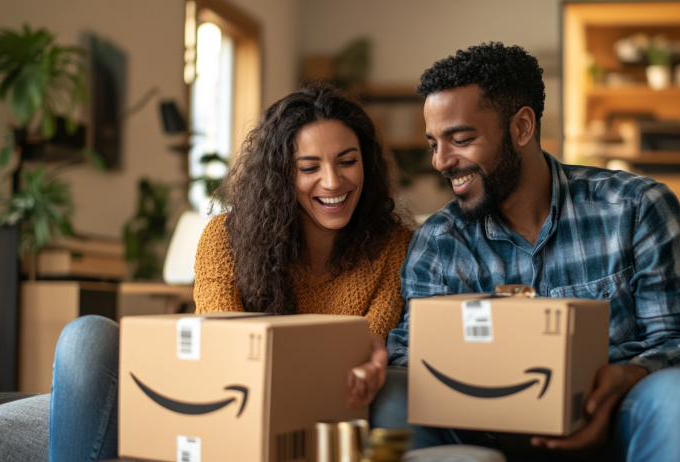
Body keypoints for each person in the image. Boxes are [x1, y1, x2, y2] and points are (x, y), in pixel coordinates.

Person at [376, 43, 680, 461]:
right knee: (391, 394)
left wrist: (626, 377)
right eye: (432, 144)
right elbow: (411, 355)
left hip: (619, 416)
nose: (441, 161)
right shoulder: (439, 241)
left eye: (460, 139)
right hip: (486, 431)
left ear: (522, 127)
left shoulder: (636, 208)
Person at [48, 83, 413, 461]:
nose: (333, 182)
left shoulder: (395, 246)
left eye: (347, 161)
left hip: (313, 423)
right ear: (282, 174)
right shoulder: (224, 239)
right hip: (222, 401)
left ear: (366, 163)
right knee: (86, 335)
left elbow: (369, 340)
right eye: (309, 167)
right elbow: (218, 348)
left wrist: (370, 363)